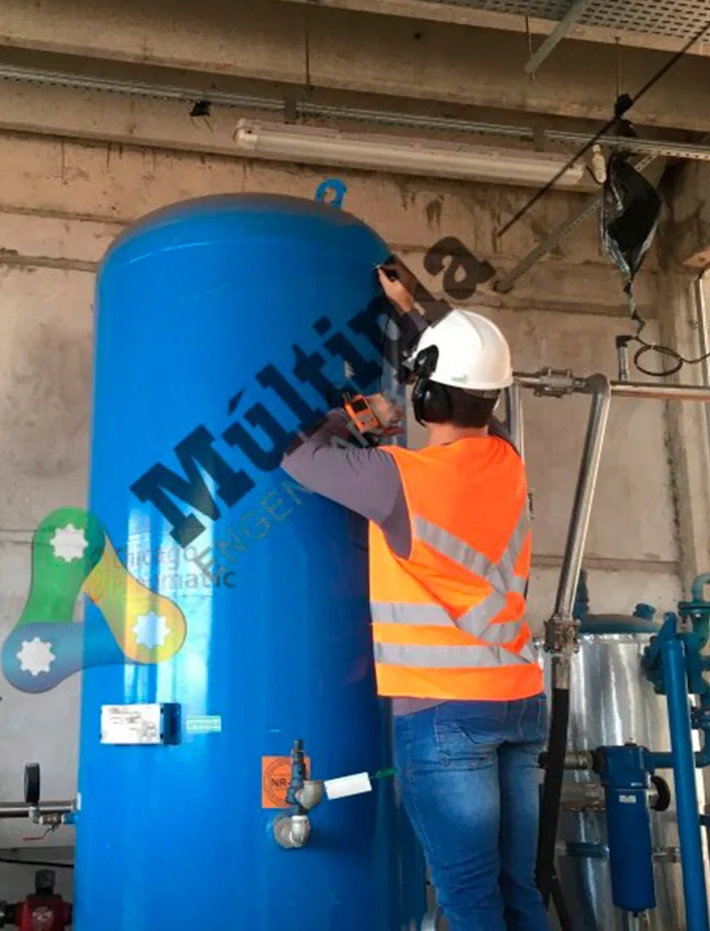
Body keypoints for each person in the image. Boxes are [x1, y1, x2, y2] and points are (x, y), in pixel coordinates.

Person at [280, 264, 550, 931]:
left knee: (469, 903)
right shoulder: (508, 463)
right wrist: (414, 313)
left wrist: (352, 414)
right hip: (518, 701)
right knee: (520, 893)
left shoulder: (398, 479)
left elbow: (298, 455)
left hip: (444, 715)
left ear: (427, 396)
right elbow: (467, 378)